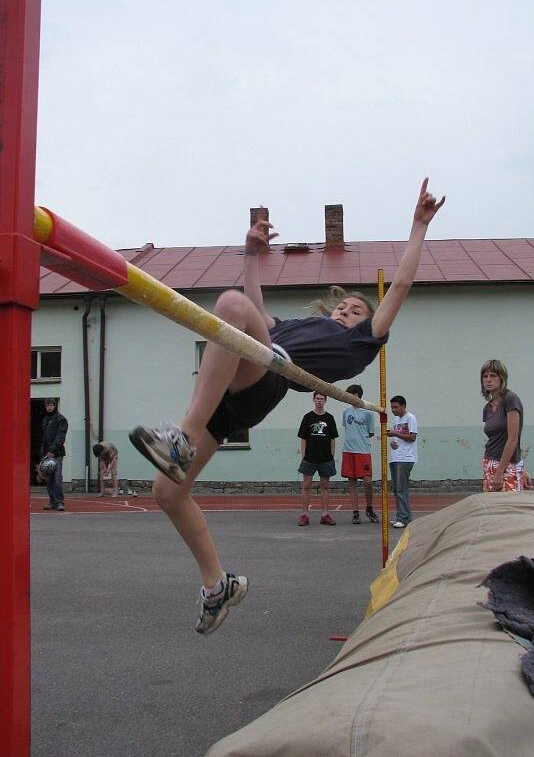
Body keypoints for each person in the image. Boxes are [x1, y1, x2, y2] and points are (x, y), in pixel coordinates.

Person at [129, 178, 445, 634]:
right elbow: (257, 314)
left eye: (356, 311)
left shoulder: (360, 340)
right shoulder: (305, 323)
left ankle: (182, 436)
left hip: (267, 377)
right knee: (167, 492)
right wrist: (251, 256)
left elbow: (398, 288)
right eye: (343, 309)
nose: (346, 313)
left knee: (230, 307)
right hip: (237, 382)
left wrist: (417, 227)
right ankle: (218, 584)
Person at [481, 359, 527, 492]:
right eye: (485, 376)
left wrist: (502, 471)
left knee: (511, 508)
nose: (488, 380)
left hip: (506, 466)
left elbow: (513, 439)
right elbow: (496, 439)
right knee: (492, 509)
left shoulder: (511, 399)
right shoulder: (487, 408)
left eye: (493, 375)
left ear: (502, 378)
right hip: (489, 462)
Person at [297, 392, 339, 526]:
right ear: (314, 400)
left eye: (322, 399)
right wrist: (303, 456)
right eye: (317, 398)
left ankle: (325, 514)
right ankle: (304, 515)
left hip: (325, 458)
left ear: (325, 401)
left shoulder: (329, 418)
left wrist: (332, 455)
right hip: (309, 458)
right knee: (306, 486)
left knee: (325, 486)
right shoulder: (308, 417)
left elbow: (332, 438)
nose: (319, 401)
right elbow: (303, 439)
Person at [341, 384, 379, 524]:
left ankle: (369, 509)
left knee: (368, 481)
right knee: (352, 482)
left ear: (356, 395)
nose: (347, 398)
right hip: (348, 451)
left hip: (363, 451)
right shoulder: (346, 412)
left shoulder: (368, 412)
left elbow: (370, 433)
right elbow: (347, 428)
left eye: (349, 394)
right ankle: (355, 512)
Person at [387, 395, 418, 528]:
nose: (393, 410)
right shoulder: (396, 420)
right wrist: (393, 442)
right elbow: (398, 440)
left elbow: (412, 437)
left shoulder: (410, 418)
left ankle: (404, 518)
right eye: (392, 407)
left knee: (401, 489)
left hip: (405, 458)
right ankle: (401, 516)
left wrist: (395, 434)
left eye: (396, 407)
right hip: (396, 457)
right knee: (396, 489)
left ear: (403, 406)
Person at [40, 398, 68, 511]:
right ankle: (52, 501)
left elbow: (61, 437)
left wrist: (52, 450)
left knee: (57, 478)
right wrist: (43, 451)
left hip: (56, 454)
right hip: (46, 454)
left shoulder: (61, 419)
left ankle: (59, 502)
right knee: (49, 480)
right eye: (47, 405)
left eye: (51, 405)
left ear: (55, 406)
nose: (49, 407)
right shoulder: (45, 419)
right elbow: (44, 438)